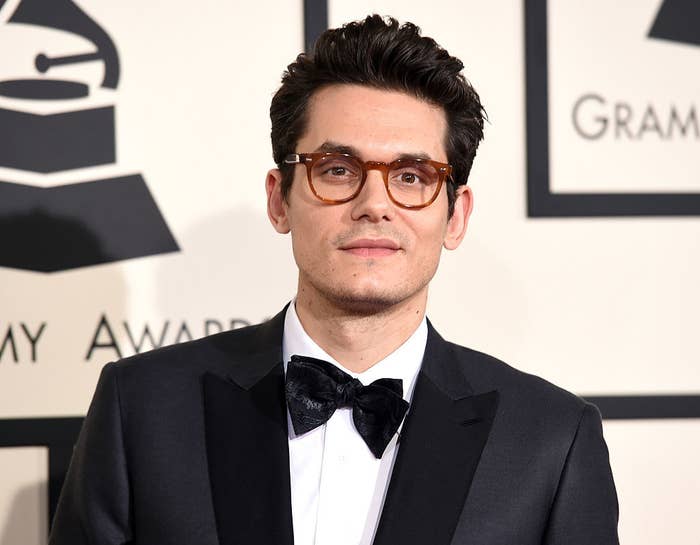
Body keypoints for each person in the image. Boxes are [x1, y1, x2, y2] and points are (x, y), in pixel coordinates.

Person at [49, 14, 619, 545]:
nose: (375, 204)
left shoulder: (551, 440)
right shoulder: (143, 409)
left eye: (413, 175)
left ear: (457, 214)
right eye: (338, 170)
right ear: (280, 200)